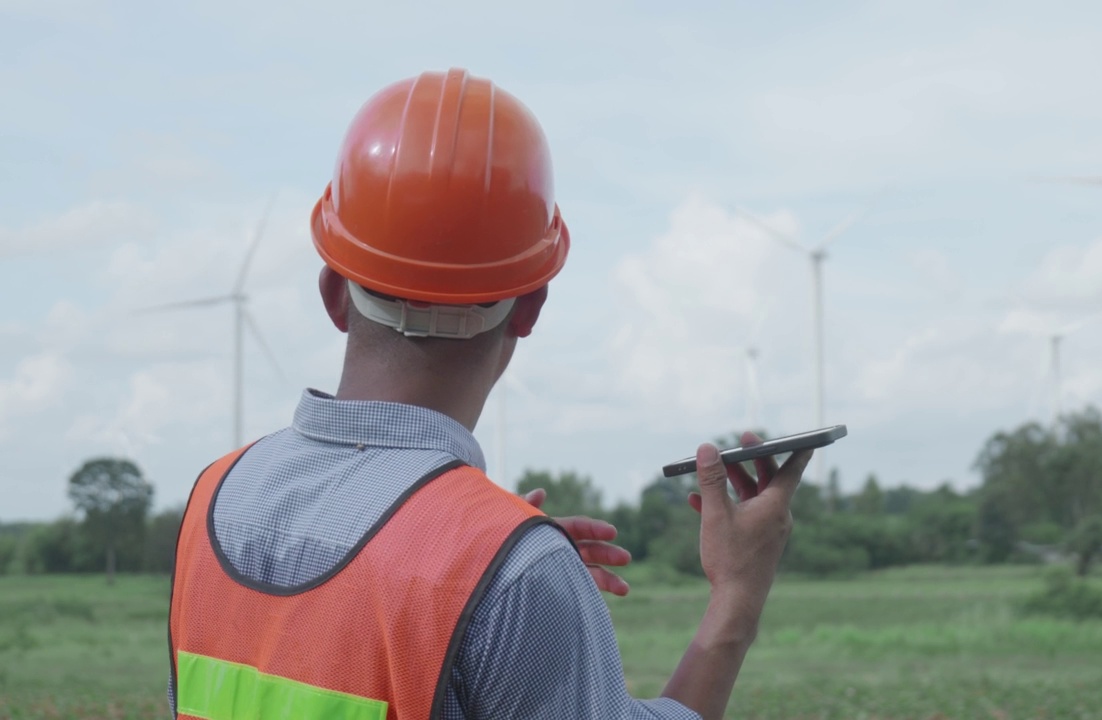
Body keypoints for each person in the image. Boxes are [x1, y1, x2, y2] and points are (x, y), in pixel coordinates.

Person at [166, 67, 812, 720]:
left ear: (334, 292)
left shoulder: (213, 499)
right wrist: (737, 594)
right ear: (529, 308)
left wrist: (482, 583)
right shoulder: (519, 575)